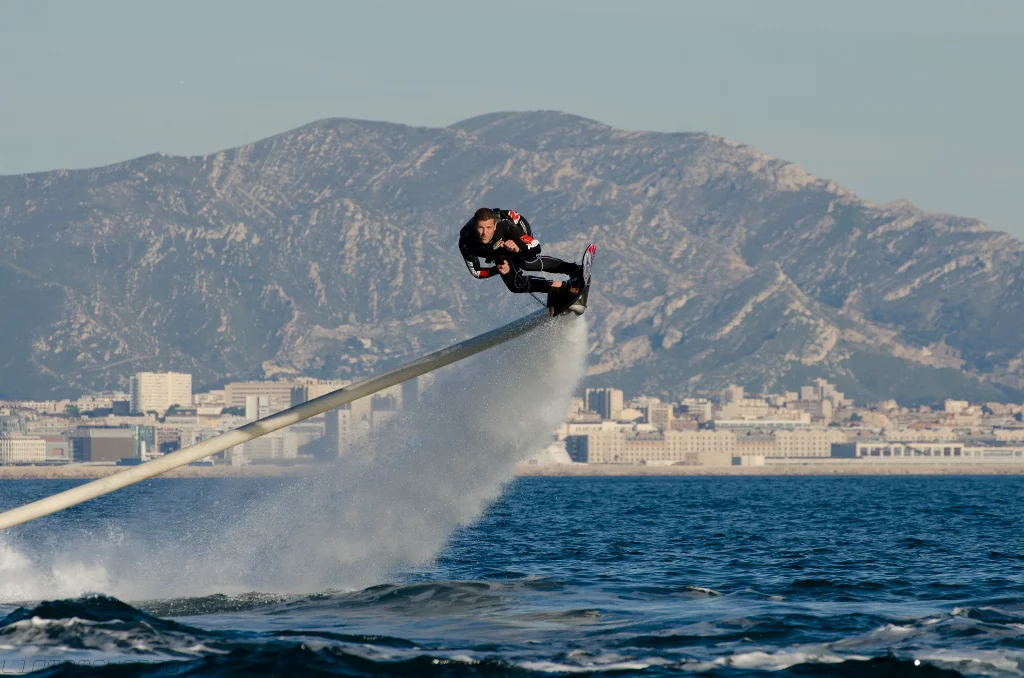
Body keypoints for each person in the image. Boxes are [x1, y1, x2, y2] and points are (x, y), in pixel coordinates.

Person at [458, 208, 582, 301]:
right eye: (480, 228)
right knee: (515, 285)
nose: (484, 233)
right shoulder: (466, 243)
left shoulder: (504, 225)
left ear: (495, 226)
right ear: (475, 226)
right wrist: (497, 269)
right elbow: (476, 272)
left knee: (526, 262)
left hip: (517, 227)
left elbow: (536, 247)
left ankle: (574, 269)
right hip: (497, 249)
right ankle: (560, 288)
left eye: (489, 228)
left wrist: (518, 250)